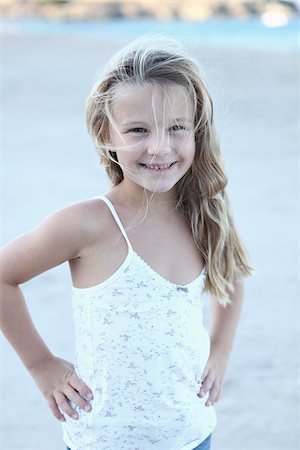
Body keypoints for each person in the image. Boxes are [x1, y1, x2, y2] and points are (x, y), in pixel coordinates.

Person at [0, 35, 254, 450]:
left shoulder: (202, 213)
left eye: (176, 128)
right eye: (138, 130)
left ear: (197, 131)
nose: (159, 147)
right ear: (106, 132)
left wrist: (221, 350)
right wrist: (41, 364)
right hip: (100, 439)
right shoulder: (87, 224)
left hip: (191, 434)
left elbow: (233, 274)